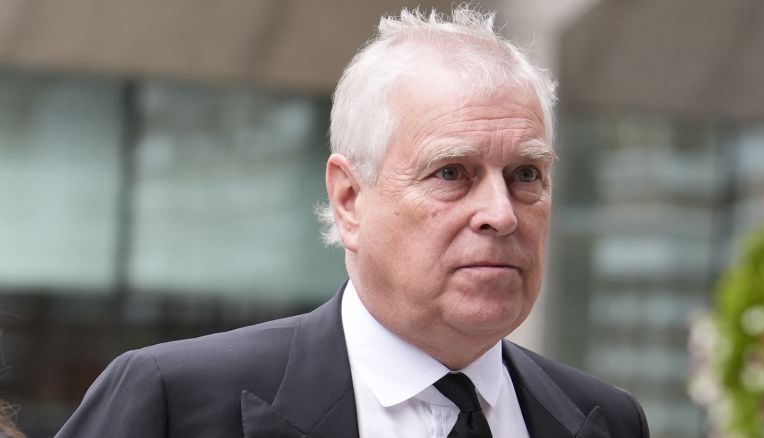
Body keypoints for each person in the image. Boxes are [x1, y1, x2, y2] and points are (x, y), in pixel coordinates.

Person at [56, 6, 649, 438]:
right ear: (348, 199)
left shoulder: (607, 419)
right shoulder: (176, 404)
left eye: (526, 175)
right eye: (451, 173)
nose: (499, 214)